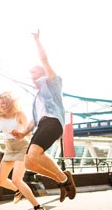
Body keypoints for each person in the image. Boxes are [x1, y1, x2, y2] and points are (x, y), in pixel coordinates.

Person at [11, 29, 77, 205]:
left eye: (36, 74)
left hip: (54, 122)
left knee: (34, 153)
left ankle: (65, 179)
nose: (33, 78)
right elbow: (33, 122)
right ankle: (63, 179)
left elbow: (44, 60)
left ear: (43, 74)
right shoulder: (36, 99)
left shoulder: (53, 83)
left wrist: (37, 41)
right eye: (31, 75)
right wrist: (23, 133)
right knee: (29, 163)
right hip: (42, 125)